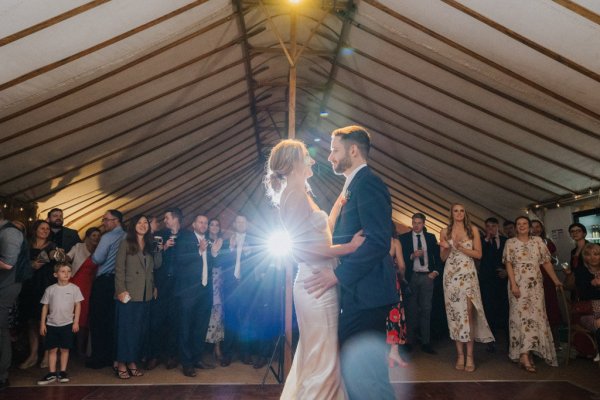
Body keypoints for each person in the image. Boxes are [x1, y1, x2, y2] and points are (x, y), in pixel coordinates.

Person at [266, 138, 367, 400]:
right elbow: (302, 249)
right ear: (292, 164)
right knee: (323, 356)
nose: (312, 160)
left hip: (320, 278)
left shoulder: (301, 194)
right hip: (314, 282)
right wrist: (350, 248)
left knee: (320, 353)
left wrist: (337, 204)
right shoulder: (293, 196)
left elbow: (323, 233)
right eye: (306, 157)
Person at [303, 126, 398, 400]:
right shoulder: (352, 184)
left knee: (368, 379)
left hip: (368, 295)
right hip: (359, 296)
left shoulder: (368, 183)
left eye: (335, 150)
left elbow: (378, 240)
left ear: (353, 150)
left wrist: (338, 276)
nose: (330, 157)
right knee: (359, 376)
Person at [503, 216, 562, 372]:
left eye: (525, 224)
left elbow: (546, 262)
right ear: (516, 227)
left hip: (536, 286)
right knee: (520, 319)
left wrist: (556, 280)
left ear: (529, 226)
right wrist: (514, 284)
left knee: (535, 318)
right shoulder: (510, 243)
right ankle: (523, 355)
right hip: (518, 285)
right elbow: (508, 264)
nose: (522, 226)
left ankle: (527, 353)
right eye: (519, 224)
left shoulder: (538, 242)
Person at [440, 203, 494, 372]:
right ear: (451, 213)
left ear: (465, 213)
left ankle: (470, 356)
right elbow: (442, 258)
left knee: (469, 313)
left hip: (468, 274)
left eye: (462, 210)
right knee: (455, 314)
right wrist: (449, 247)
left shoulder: (473, 230)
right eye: (456, 210)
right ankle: (460, 355)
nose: (459, 213)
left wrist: (461, 247)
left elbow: (479, 254)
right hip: (451, 276)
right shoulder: (444, 231)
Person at [114, 215, 162, 379]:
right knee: (126, 330)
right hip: (128, 293)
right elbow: (119, 269)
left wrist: (158, 250)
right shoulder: (126, 243)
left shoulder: (150, 244)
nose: (143, 225)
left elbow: (156, 266)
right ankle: (121, 362)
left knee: (139, 331)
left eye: (146, 223)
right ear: (133, 225)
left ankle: (132, 361)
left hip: (145, 293)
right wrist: (120, 290)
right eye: (140, 222)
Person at [174, 214, 218, 377]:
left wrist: (213, 254)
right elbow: (180, 260)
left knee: (200, 326)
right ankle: (186, 363)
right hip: (188, 291)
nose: (204, 225)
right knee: (186, 327)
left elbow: (210, 265)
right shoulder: (185, 239)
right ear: (193, 224)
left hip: (205, 289)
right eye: (201, 222)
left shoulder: (208, 240)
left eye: (206, 222)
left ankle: (196, 358)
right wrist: (199, 251)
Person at [86, 210, 126, 369]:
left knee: (98, 320)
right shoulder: (127, 236)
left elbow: (98, 258)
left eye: (106, 220)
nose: (103, 223)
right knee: (112, 320)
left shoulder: (108, 237)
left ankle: (99, 358)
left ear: (116, 221)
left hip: (104, 281)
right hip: (119, 282)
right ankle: (112, 356)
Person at [399, 212, 442, 355]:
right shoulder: (404, 238)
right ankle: (409, 342)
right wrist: (412, 256)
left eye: (419, 223)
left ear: (424, 224)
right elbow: (401, 258)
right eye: (414, 222)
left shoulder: (430, 237)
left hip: (427, 277)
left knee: (426, 309)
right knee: (410, 310)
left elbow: (437, 256)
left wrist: (435, 272)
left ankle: (426, 342)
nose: (416, 225)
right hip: (412, 277)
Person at [220, 214, 259, 367]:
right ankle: (227, 354)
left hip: (247, 284)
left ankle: (245, 353)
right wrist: (230, 248)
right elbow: (221, 262)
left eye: (243, 221)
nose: (240, 224)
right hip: (230, 284)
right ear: (234, 224)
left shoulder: (255, 240)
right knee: (230, 319)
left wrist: (249, 252)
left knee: (246, 320)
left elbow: (260, 261)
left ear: (247, 224)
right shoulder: (226, 240)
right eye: (237, 221)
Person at [19, 220, 58, 370]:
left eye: (47, 228)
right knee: (31, 322)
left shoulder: (51, 246)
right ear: (35, 229)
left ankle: (47, 355)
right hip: (28, 286)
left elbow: (42, 262)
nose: (45, 230)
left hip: (45, 285)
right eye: (42, 228)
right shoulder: (26, 244)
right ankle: (33, 355)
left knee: (46, 321)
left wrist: (33, 264)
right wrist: (30, 265)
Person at [146, 208, 182, 371]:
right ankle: (154, 355)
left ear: (175, 218)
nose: (164, 220)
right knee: (156, 322)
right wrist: (165, 247)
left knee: (174, 322)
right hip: (161, 285)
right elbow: (152, 261)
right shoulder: (159, 236)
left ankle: (171, 356)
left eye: (167, 217)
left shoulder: (187, 236)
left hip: (179, 286)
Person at [37, 263, 83, 385]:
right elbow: (45, 307)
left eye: (68, 271)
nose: (66, 274)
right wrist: (43, 324)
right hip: (52, 324)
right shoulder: (50, 289)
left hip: (67, 324)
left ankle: (62, 372)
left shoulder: (74, 288)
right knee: (52, 349)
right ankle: (51, 373)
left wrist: (76, 321)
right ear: (55, 274)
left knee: (64, 349)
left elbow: (78, 305)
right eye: (63, 271)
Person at [0, 209, 27, 391]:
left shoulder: (10, 232)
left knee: (0, 330)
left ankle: (2, 375)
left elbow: (8, 263)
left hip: (5, 287)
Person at [66, 227, 100, 355]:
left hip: (90, 286)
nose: (96, 238)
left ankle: (80, 349)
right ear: (87, 237)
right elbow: (68, 257)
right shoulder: (79, 247)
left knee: (84, 318)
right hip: (76, 283)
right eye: (94, 235)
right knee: (71, 314)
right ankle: (68, 347)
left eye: (98, 236)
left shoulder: (99, 251)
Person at [565, 243, 600, 361]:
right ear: (585, 257)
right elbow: (583, 295)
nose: (593, 257)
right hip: (586, 312)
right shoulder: (581, 272)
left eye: (596, 254)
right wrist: (592, 283)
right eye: (589, 255)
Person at [479, 217, 508, 353]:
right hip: (487, 281)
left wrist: (506, 271)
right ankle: (491, 341)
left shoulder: (505, 241)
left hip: (502, 280)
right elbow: (479, 256)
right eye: (488, 226)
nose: (490, 229)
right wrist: (486, 240)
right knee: (488, 310)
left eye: (493, 226)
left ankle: (509, 341)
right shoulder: (481, 241)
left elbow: (510, 259)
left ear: (497, 227)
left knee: (505, 309)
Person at [531, 220, 562, 348]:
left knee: (551, 306)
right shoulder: (526, 243)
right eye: (532, 227)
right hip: (533, 278)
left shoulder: (548, 242)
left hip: (548, 277)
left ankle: (556, 342)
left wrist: (547, 258)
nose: (535, 229)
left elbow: (556, 260)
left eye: (538, 227)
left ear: (542, 228)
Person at [387, 225, 408, 367]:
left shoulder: (371, 240)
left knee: (379, 317)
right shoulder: (394, 242)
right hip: (391, 282)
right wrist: (402, 278)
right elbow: (401, 266)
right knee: (395, 317)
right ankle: (394, 353)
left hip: (374, 282)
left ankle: (382, 354)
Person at [205, 218, 224, 364]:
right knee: (204, 313)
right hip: (205, 280)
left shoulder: (224, 242)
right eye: (212, 224)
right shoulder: (203, 240)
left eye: (217, 225)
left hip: (220, 281)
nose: (214, 227)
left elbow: (226, 262)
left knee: (217, 313)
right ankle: (203, 348)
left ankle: (217, 347)